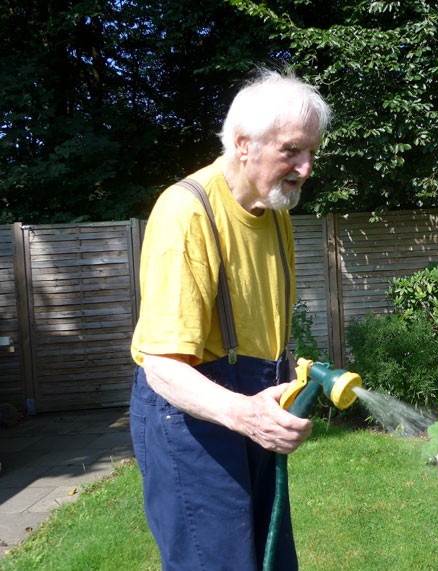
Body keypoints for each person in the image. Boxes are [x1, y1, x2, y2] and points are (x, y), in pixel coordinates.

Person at [129, 70, 331, 571]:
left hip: (253, 396)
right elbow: (162, 366)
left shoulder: (275, 210)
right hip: (192, 414)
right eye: (291, 151)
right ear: (244, 145)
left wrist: (284, 385)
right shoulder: (187, 211)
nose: (306, 168)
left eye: (312, 152)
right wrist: (246, 414)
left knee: (270, 560)